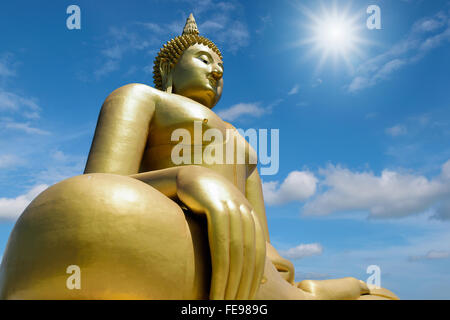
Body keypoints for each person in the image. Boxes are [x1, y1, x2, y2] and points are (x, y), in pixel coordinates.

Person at [0, 14, 397, 300]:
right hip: (165, 232)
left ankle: (352, 287)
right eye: (204, 59)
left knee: (296, 294)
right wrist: (183, 178)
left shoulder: (242, 144)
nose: (217, 70)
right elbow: (98, 187)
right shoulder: (141, 97)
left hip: (238, 261)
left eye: (220, 65)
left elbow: (259, 233)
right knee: (81, 210)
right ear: (170, 67)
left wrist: (273, 260)